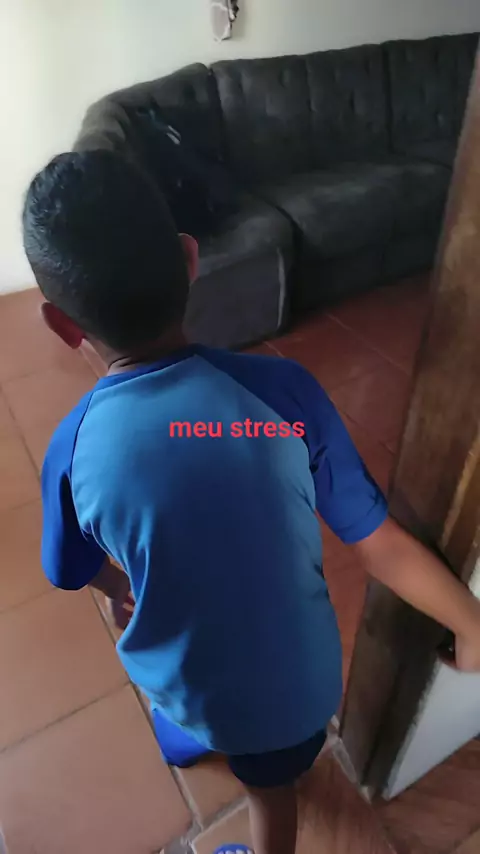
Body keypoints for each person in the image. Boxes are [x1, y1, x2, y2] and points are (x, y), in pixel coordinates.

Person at [23, 150, 480, 854]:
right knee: (272, 785)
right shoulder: (284, 396)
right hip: (296, 698)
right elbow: (380, 543)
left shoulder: (72, 451)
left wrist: (120, 587)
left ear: (62, 324)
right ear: (190, 259)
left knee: (188, 695)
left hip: (189, 682)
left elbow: (69, 569)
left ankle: (192, 735)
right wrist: (472, 623)